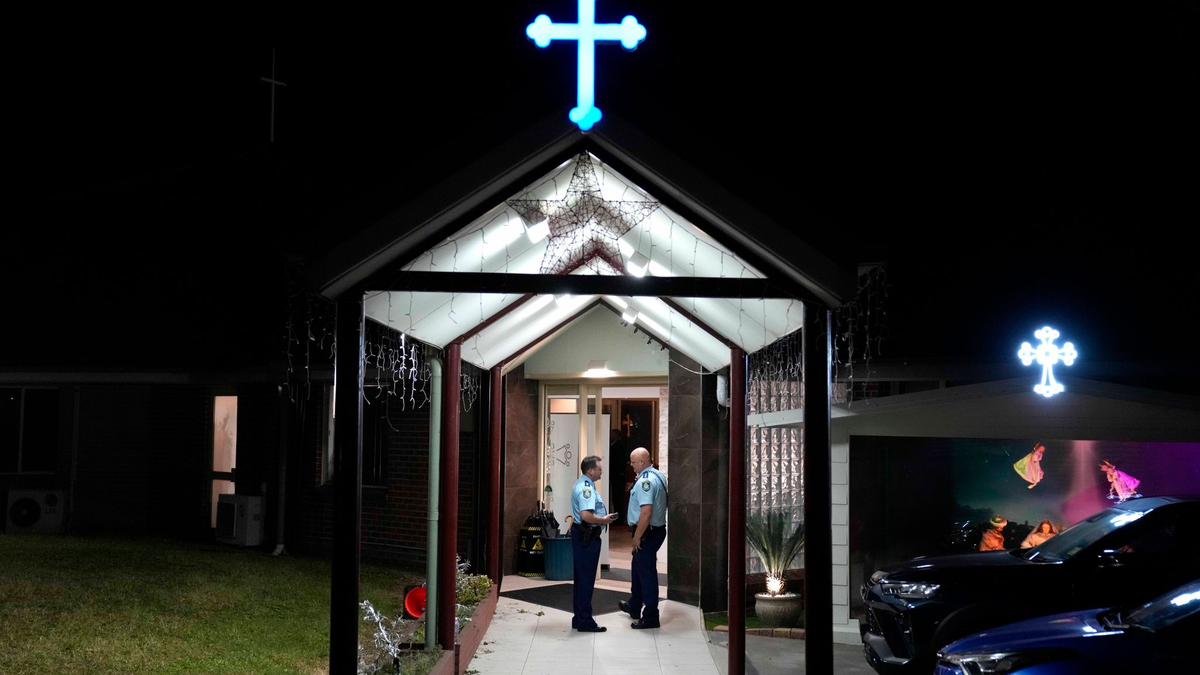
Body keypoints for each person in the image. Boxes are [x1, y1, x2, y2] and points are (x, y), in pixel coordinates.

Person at [619, 447, 668, 629]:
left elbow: (646, 512)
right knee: (637, 568)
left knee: (647, 575)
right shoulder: (658, 475)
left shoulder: (645, 481)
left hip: (647, 532)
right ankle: (634, 605)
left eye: (633, 462)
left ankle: (651, 616)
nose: (631, 465)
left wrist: (637, 537)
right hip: (656, 530)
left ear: (642, 461)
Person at [570, 455, 619, 633]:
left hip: (584, 535)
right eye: (599, 468)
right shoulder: (586, 488)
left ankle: (579, 618)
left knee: (582, 579)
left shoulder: (584, 484)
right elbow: (586, 515)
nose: (601, 471)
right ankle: (585, 620)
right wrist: (604, 520)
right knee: (586, 579)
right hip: (587, 537)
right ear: (590, 471)